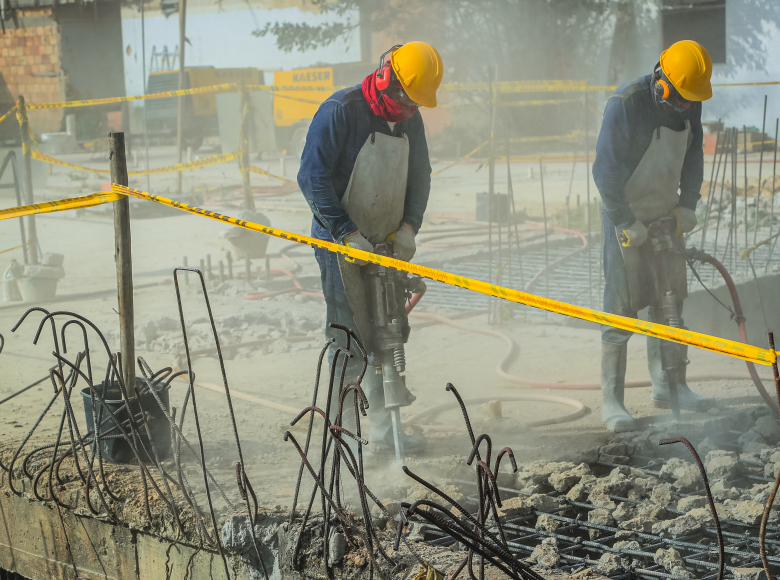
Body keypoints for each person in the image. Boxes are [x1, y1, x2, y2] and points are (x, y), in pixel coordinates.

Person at [297, 41, 443, 451]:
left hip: (386, 243)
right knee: (351, 342)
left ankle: (383, 430)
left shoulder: (411, 119)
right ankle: (344, 440)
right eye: (405, 100)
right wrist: (346, 232)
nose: (409, 110)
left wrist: (410, 226)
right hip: (339, 244)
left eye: (416, 104)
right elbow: (312, 179)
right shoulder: (341, 112)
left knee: (387, 335)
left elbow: (421, 175)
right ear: (386, 77)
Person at [593, 40, 715, 431]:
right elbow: (605, 172)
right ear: (662, 85)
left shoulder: (690, 98)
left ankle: (669, 385)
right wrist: (624, 220)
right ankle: (612, 401)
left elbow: (692, 156)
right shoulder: (626, 104)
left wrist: (689, 204)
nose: (686, 108)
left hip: (665, 213)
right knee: (622, 307)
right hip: (626, 217)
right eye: (680, 101)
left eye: (690, 103)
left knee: (669, 302)